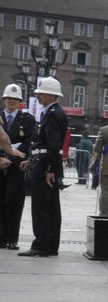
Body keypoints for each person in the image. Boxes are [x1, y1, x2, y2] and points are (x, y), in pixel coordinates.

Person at [21, 76, 68, 257]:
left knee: (41, 207)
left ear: (51, 95)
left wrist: (50, 169)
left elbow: (53, 145)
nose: (38, 95)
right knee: (50, 207)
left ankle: (41, 244)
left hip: (45, 166)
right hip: (43, 163)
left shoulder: (53, 114)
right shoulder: (53, 112)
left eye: (41, 93)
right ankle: (50, 245)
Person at [0, 84, 36, 250]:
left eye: (15, 99)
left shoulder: (27, 119)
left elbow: (29, 142)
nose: (12, 101)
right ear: (4, 99)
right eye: (9, 98)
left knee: (14, 202)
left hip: (16, 167)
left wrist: (12, 158)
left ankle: (12, 238)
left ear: (20, 101)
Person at [91, 120, 108, 216]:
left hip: (107, 166)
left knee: (106, 192)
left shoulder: (104, 130)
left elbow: (97, 148)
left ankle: (104, 213)